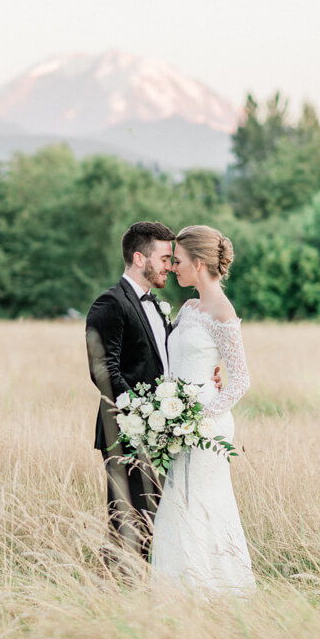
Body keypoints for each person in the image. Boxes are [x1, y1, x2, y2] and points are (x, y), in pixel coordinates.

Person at [86, 221, 222, 558]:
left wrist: (211, 372)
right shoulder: (110, 304)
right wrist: (141, 415)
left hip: (159, 433)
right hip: (126, 433)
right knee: (128, 525)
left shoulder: (155, 305)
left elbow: (167, 358)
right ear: (138, 258)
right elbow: (103, 369)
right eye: (164, 258)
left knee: (154, 524)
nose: (170, 266)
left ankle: (141, 595)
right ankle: (113, 593)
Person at [152, 225, 256, 595]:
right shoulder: (190, 306)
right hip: (180, 420)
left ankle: (208, 591)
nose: (172, 267)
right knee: (179, 502)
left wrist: (199, 417)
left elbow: (241, 379)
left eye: (177, 261)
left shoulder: (222, 312)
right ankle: (179, 590)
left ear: (198, 264)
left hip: (205, 428)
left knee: (199, 503)